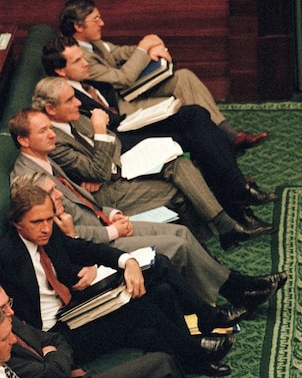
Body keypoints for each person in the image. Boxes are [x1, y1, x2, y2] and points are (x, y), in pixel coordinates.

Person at [0, 186, 241, 376]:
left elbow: (85, 249)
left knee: (161, 278)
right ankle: (195, 352)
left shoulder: (49, 234)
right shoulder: (6, 254)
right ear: (17, 223)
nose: (46, 228)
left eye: (49, 219)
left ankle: (196, 340)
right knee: (140, 305)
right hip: (55, 334)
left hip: (76, 309)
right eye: (37, 222)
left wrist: (127, 261)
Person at [29, 79, 272, 250]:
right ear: (50, 109)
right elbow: (98, 164)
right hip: (106, 195)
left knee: (179, 164)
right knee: (180, 189)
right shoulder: (54, 139)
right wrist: (100, 137)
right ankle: (209, 241)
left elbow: (113, 143)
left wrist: (109, 167)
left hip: (118, 173)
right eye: (70, 100)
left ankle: (225, 228)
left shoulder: (74, 119)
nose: (78, 103)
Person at [41, 36, 277, 212]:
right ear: (60, 70)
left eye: (83, 57)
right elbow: (97, 133)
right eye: (77, 61)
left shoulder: (83, 77)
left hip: (127, 121)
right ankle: (236, 194)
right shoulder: (65, 97)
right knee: (192, 130)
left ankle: (236, 190)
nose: (85, 64)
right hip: (121, 138)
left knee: (195, 115)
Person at [9, 169, 285, 318]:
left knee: (180, 235)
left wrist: (111, 219)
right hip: (87, 278)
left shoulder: (50, 224)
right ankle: (226, 297)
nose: (57, 194)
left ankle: (230, 292)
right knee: (170, 255)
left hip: (104, 232)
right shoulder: (37, 235)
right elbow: (71, 264)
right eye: (50, 193)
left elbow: (79, 232)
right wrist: (92, 247)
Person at [58, 0, 269, 152]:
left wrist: (149, 50)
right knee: (190, 110)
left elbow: (118, 52)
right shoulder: (79, 56)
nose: (102, 23)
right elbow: (123, 78)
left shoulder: (93, 43)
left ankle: (229, 136)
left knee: (184, 77)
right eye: (96, 19)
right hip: (123, 105)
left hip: (130, 93)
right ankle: (225, 148)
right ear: (78, 26)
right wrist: (143, 47)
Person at [1, 284, 202, 378]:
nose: (10, 311)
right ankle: (199, 356)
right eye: (3, 308)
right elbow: (53, 374)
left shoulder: (8, 318)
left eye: (8, 303)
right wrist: (50, 352)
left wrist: (51, 353)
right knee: (162, 362)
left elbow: (54, 339)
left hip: (73, 375)